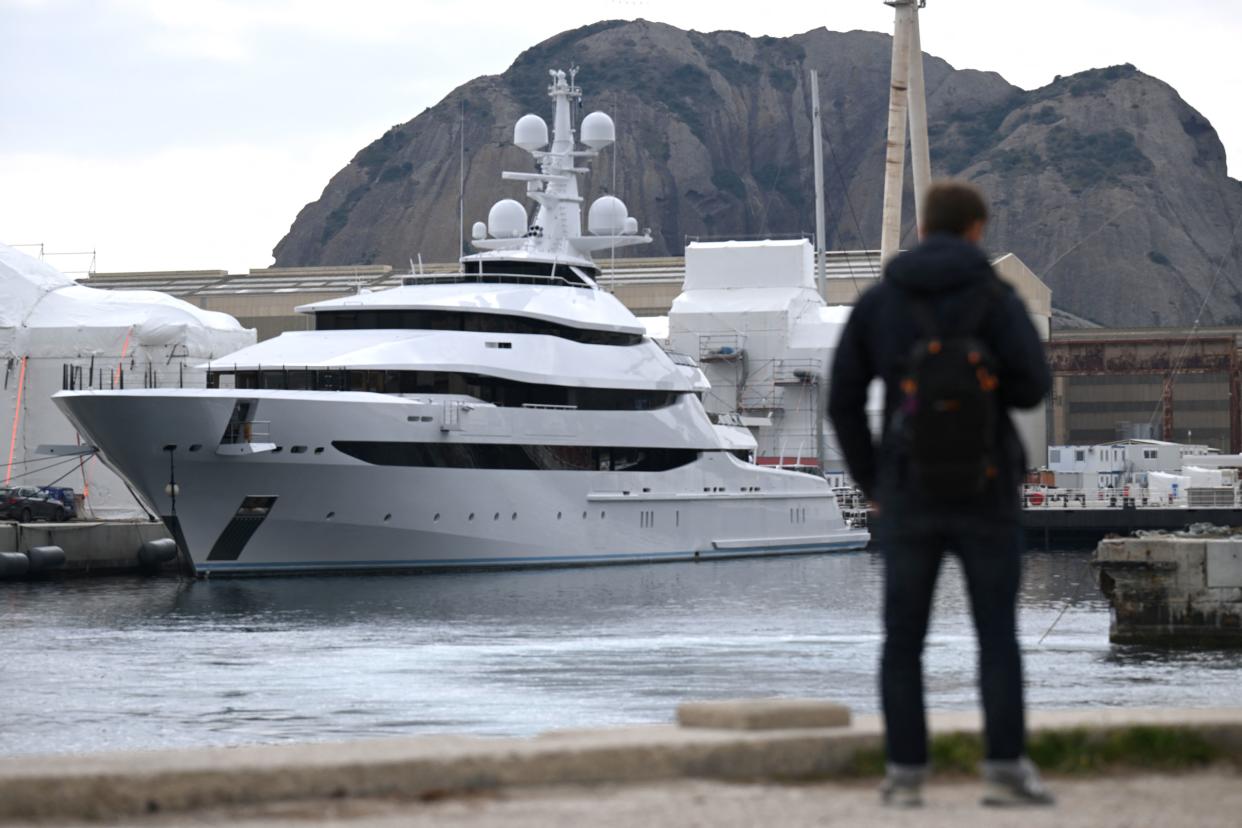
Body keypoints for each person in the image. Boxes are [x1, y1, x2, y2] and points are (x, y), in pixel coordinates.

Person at [827, 180, 1054, 808]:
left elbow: (842, 399)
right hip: (988, 491)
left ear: (923, 230)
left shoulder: (882, 302)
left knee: (903, 641)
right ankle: (1005, 772)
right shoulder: (997, 297)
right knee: (996, 637)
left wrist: (873, 482)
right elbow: (1034, 387)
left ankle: (905, 776)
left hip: (908, 493)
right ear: (977, 229)